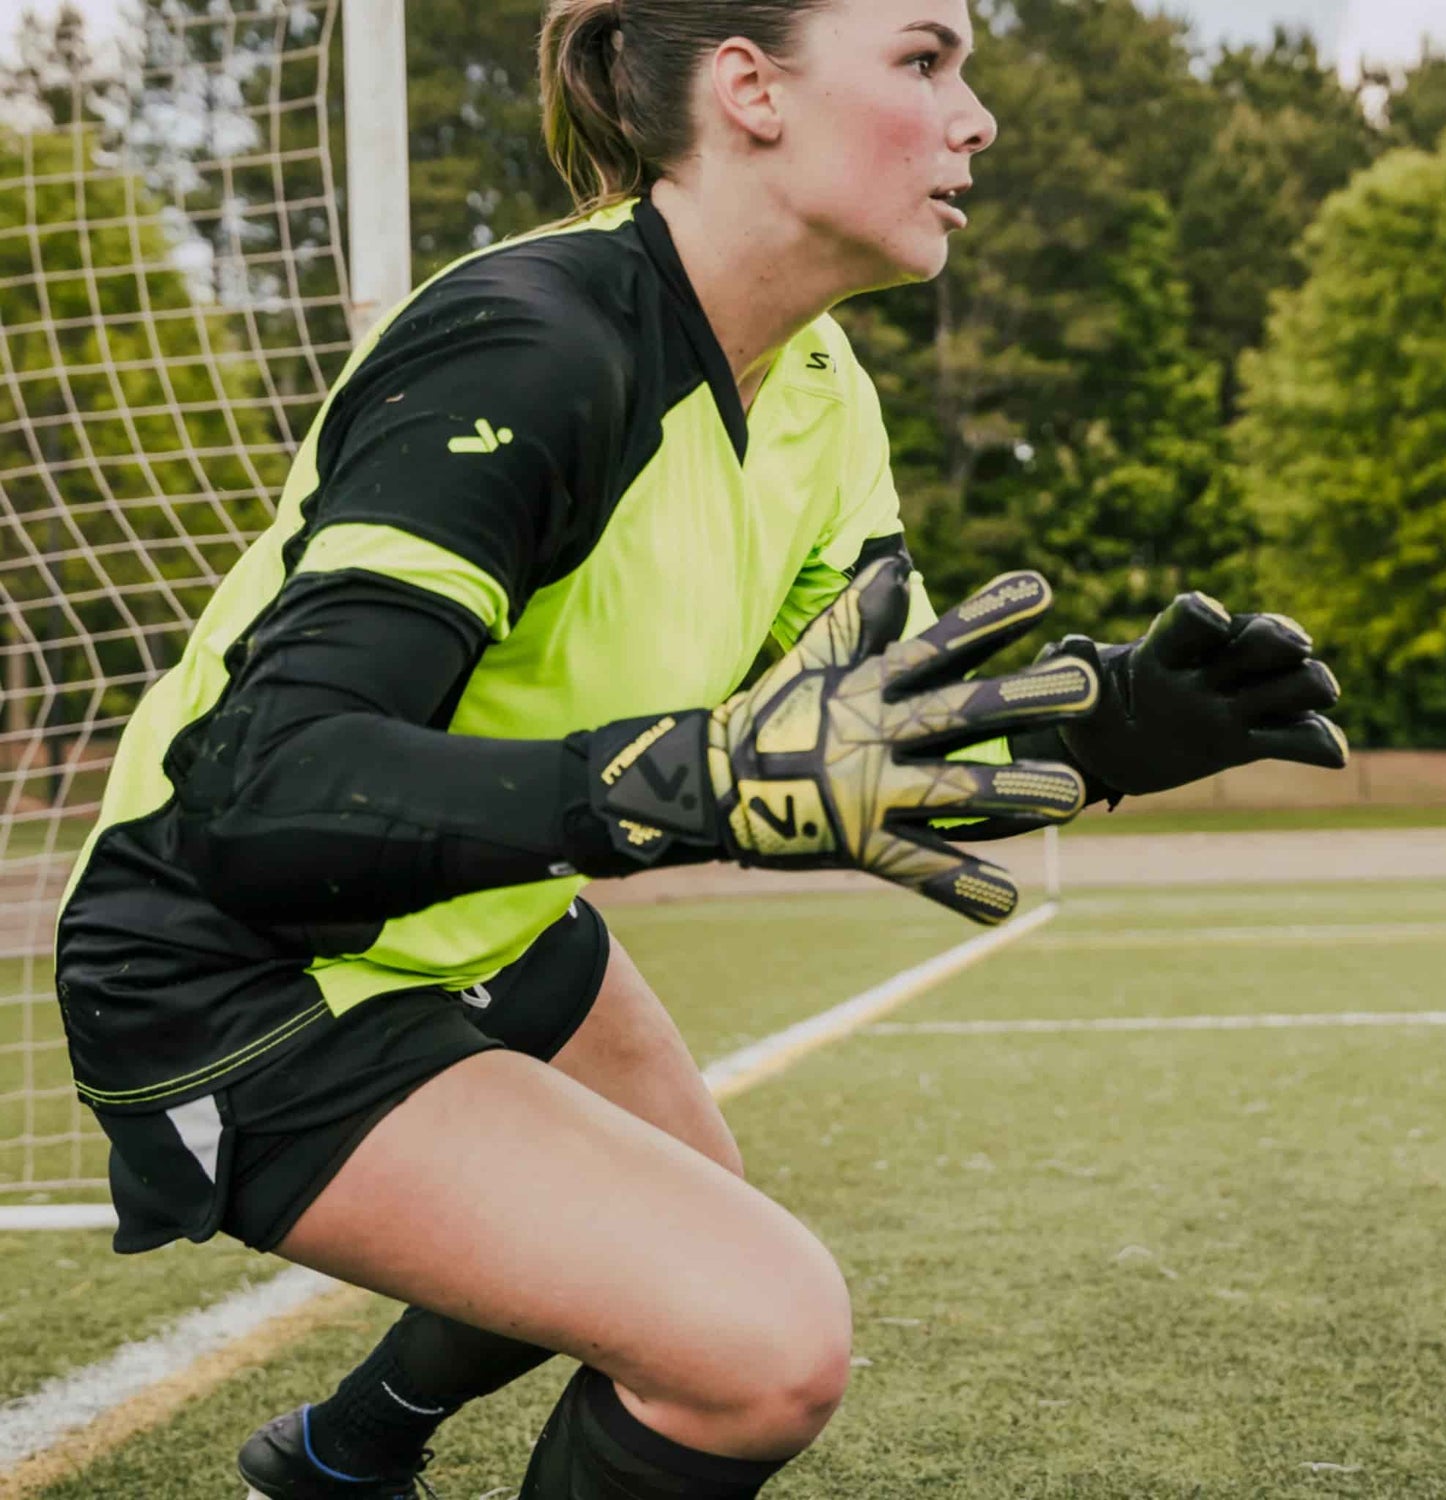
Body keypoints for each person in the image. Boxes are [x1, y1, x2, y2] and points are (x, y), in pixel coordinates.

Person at [52, 1, 1345, 1495]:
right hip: (232, 968)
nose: (977, 118)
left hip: (466, 910)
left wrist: (1113, 723)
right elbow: (265, 793)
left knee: (687, 1208)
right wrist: (672, 784)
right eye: (926, 60)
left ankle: (343, 1459)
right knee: (758, 1342)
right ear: (751, 91)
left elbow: (876, 730)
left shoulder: (818, 387)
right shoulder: (527, 345)